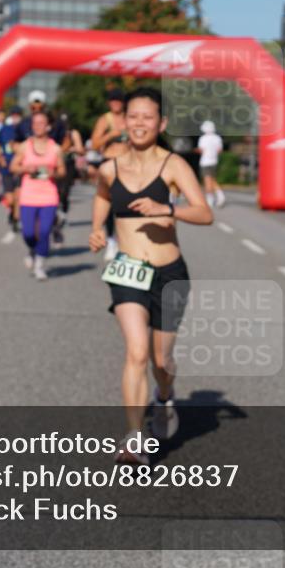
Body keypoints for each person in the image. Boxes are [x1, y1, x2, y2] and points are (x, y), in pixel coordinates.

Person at [88, 87, 213, 465]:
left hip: (170, 272)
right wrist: (96, 228)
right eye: (133, 116)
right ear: (124, 121)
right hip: (128, 271)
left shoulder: (174, 165)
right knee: (136, 352)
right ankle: (133, 437)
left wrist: (168, 209)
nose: (140, 123)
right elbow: (103, 195)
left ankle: (164, 395)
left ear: (161, 124)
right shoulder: (109, 167)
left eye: (148, 117)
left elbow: (205, 213)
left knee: (161, 361)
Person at [10, 112, 65, 281]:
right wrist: (26, 169)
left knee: (44, 231)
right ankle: (33, 251)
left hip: (48, 195)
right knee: (27, 233)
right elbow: (13, 166)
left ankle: (40, 265)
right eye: (35, 123)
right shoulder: (25, 146)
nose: (38, 126)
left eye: (42, 123)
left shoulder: (55, 148)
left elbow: (63, 171)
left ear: (48, 126)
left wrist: (53, 172)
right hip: (28, 195)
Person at [91, 88, 130, 260]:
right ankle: (111, 239)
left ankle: (125, 239)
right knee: (110, 203)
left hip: (128, 164)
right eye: (113, 101)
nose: (116, 104)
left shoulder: (130, 118)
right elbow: (94, 143)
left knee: (127, 203)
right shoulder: (105, 120)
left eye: (119, 101)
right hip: (108, 162)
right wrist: (110, 135)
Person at [52, 113, 85, 245]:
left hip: (68, 164)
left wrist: (71, 148)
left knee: (64, 192)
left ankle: (63, 214)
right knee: (54, 192)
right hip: (55, 165)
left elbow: (81, 150)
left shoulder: (73, 133)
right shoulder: (54, 132)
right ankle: (54, 215)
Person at [0, 108, 22, 231]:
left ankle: (16, 220)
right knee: (10, 199)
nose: (16, 118)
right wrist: (0, 158)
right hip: (6, 168)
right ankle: (12, 213)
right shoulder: (4, 130)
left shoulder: (24, 130)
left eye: (18, 115)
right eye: (14, 115)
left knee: (18, 196)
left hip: (20, 169)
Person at [196, 120, 226, 208]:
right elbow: (219, 150)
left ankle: (210, 201)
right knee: (212, 180)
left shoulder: (203, 138)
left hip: (205, 162)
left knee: (207, 181)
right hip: (214, 161)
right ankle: (220, 195)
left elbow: (201, 150)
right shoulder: (217, 138)